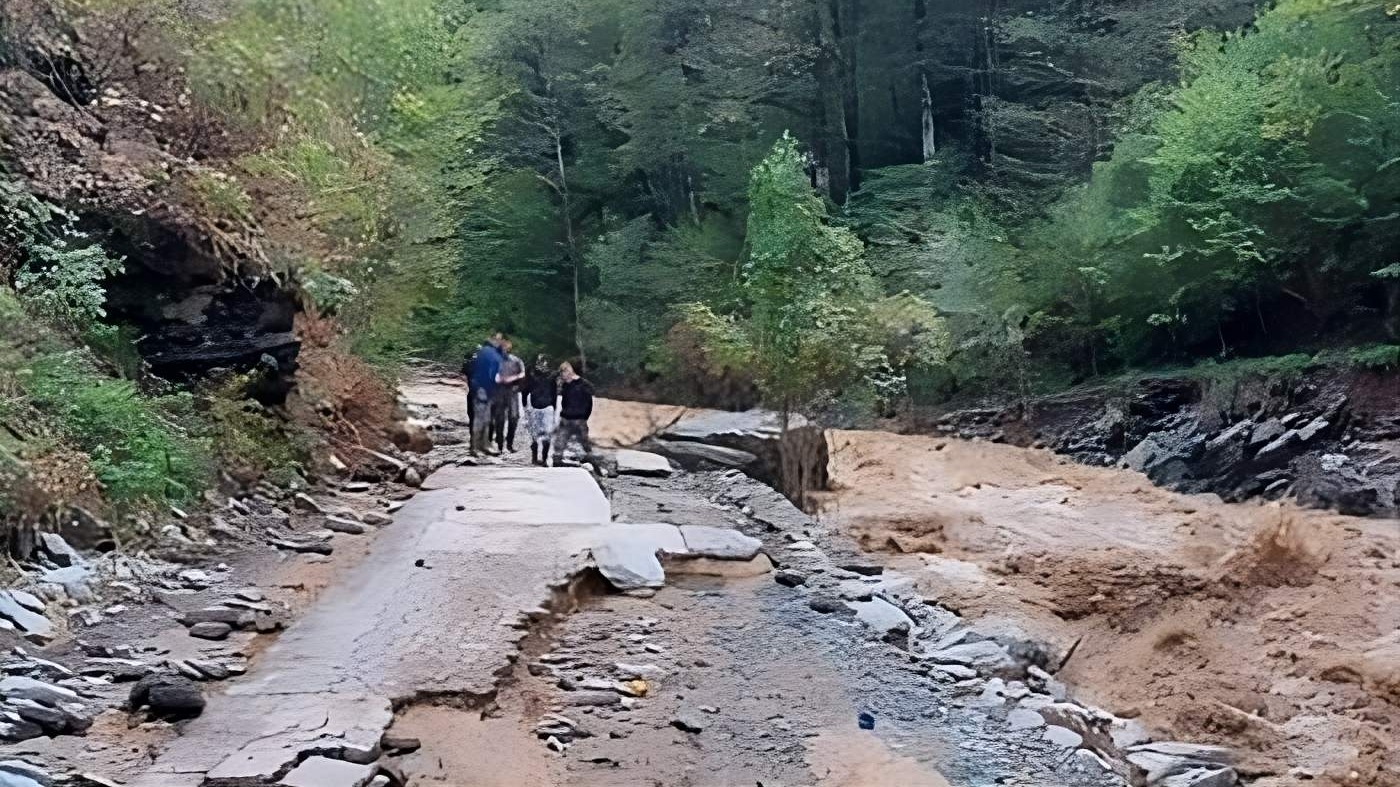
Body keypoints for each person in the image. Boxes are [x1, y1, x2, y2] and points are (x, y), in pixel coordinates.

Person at [466, 332, 505, 456]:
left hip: (483, 388)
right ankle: (476, 447)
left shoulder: (484, 351)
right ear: (492, 339)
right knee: (480, 418)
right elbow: (494, 373)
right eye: (498, 339)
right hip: (482, 389)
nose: (500, 341)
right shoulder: (489, 353)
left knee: (486, 418)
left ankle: (483, 445)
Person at [552, 361, 595, 466]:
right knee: (560, 442)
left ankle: (593, 462)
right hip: (566, 418)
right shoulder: (566, 385)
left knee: (585, 442)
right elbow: (564, 401)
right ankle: (557, 461)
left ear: (568, 372)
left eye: (563, 374)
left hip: (579, 419)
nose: (562, 377)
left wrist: (584, 417)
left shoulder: (584, 384)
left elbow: (589, 403)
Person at [491, 339, 526, 453]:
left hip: (512, 392)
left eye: (506, 347)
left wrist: (513, 379)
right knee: (499, 418)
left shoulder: (516, 360)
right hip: (499, 392)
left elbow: (522, 373)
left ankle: (509, 444)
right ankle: (500, 445)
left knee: (514, 417)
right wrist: (497, 378)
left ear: (509, 348)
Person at [522, 355, 557, 466]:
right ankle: (534, 458)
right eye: (540, 361)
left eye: (544, 361)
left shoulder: (551, 376)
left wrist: (554, 408)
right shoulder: (531, 375)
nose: (542, 364)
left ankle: (545, 458)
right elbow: (525, 390)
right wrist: (524, 406)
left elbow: (554, 393)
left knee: (546, 435)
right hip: (535, 407)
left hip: (547, 408)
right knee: (534, 434)